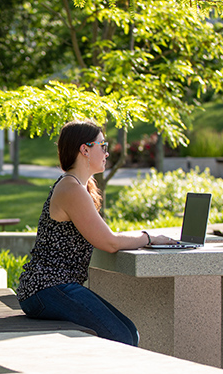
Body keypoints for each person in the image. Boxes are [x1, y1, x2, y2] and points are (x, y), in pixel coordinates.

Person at [15, 120, 176, 346]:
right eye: (103, 146)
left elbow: (104, 235)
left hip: (53, 287)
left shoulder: (78, 186)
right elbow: (109, 242)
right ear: (85, 149)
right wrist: (150, 238)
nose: (107, 153)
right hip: (46, 288)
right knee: (122, 337)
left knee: (129, 333)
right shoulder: (71, 188)